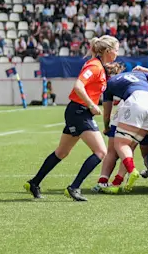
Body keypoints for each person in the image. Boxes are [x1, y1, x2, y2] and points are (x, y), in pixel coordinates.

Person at [27, 35, 119, 201]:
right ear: (107, 51)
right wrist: (91, 104)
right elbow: (78, 86)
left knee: (61, 152)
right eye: (116, 50)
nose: (117, 54)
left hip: (77, 111)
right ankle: (74, 187)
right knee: (100, 152)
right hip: (79, 112)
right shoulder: (95, 66)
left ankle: (34, 182)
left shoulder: (98, 65)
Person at [93, 63, 148, 193]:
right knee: (129, 146)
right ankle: (117, 182)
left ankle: (130, 171)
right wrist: (144, 69)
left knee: (119, 144)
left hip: (135, 101)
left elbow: (107, 111)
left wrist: (106, 127)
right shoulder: (138, 74)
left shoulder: (109, 83)